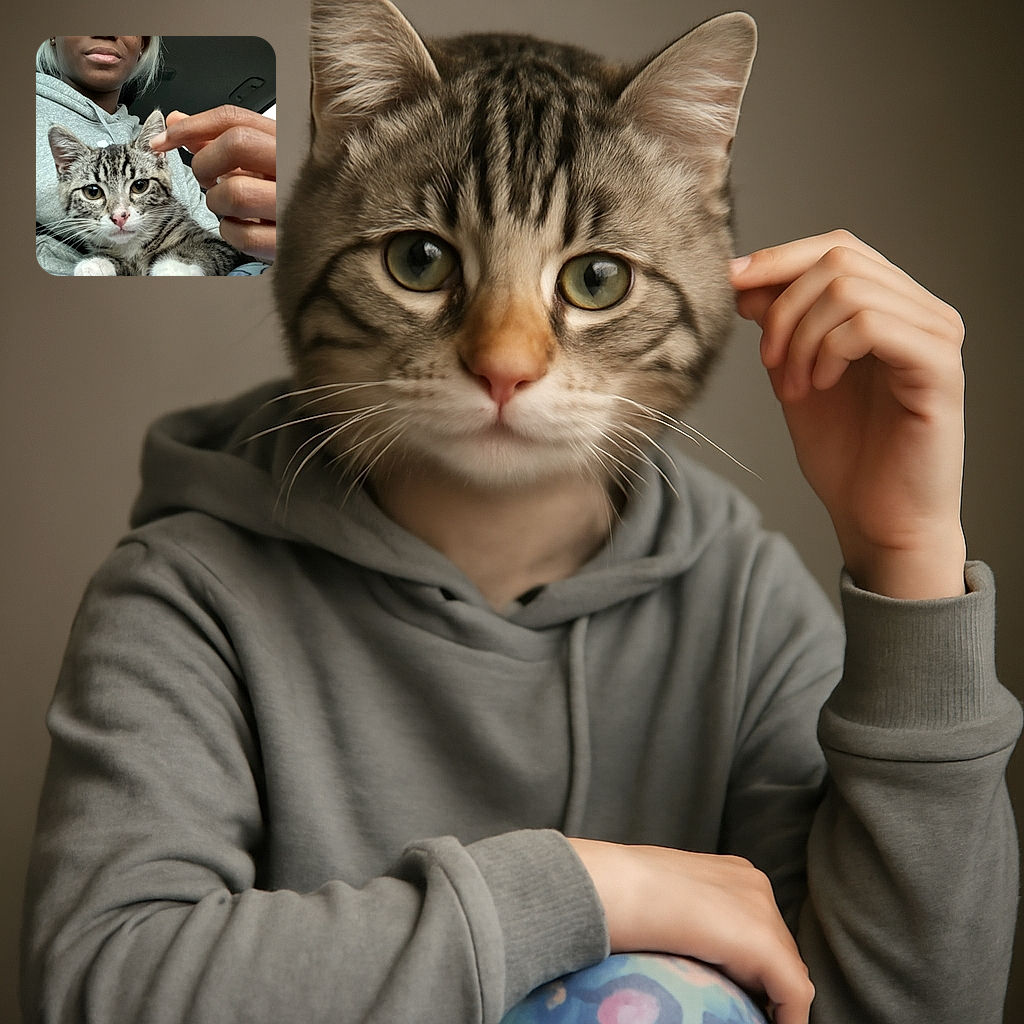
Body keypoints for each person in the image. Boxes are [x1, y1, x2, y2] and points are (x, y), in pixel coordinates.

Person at [20, 13, 1019, 1024]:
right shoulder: (186, 591)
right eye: (421, 260)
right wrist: (591, 894)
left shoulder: (737, 598)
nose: (505, 358)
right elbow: (100, 985)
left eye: (593, 278)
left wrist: (908, 557)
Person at [35, 36, 273, 275]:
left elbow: (223, 246)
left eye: (138, 185)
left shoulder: (160, 144)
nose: (119, 214)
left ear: (143, 44)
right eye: (93, 192)